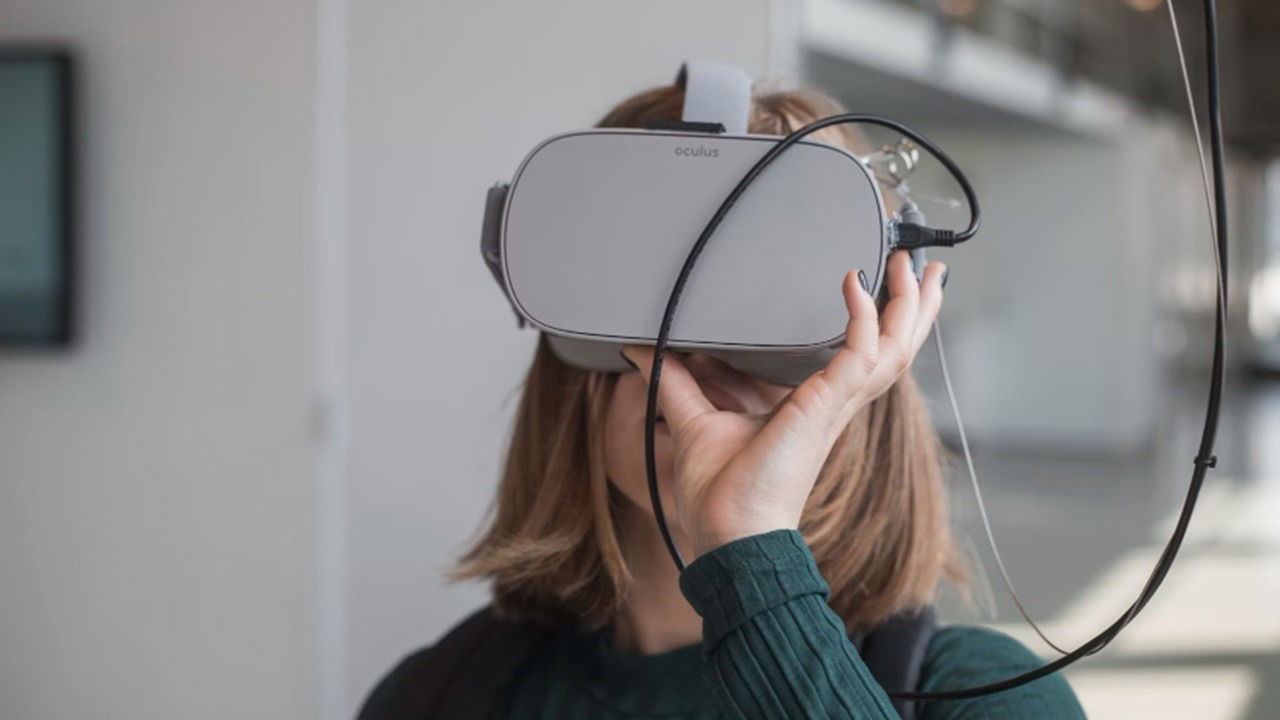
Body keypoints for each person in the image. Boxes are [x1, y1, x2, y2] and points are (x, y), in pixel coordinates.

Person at [357, 80, 1086, 719]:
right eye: (657, 285)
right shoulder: (437, 697)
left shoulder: (992, 697)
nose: (700, 357)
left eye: (769, 300)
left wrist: (749, 544)